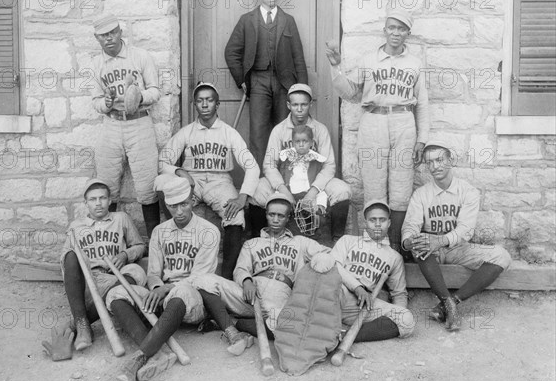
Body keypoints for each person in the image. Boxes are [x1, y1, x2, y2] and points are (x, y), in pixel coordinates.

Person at [325, 9, 429, 255]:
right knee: (373, 187)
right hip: (373, 121)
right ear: (384, 30)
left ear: (408, 33)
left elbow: (423, 104)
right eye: (391, 27)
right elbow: (350, 93)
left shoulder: (415, 64)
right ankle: (373, 249)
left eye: (401, 28)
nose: (396, 33)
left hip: (404, 121)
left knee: (402, 189)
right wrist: (335, 67)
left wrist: (422, 140)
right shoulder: (369, 60)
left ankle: (398, 250)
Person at [107, 175, 220, 381]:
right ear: (167, 204)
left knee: (182, 291)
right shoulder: (160, 232)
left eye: (184, 204)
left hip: (192, 301)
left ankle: (139, 358)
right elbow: (153, 273)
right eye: (173, 206)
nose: (179, 211)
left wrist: (167, 288)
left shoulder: (209, 232)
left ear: (192, 200)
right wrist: (157, 288)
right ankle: (158, 354)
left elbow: (199, 278)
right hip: (163, 298)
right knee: (117, 293)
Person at [193, 192, 331, 353]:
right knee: (204, 280)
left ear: (288, 218)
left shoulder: (300, 243)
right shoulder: (252, 243)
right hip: (249, 295)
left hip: (280, 294)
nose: (276, 219)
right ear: (266, 215)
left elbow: (327, 255)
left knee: (289, 328)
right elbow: (241, 269)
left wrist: (312, 272)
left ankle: (231, 322)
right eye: (272, 214)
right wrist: (246, 281)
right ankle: (232, 332)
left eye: (281, 216)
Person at [402, 141, 512, 331]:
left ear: (450, 160)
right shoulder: (421, 194)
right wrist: (410, 240)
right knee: (420, 245)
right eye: (429, 162)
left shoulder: (467, 191)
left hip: (458, 248)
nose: (435, 166)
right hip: (431, 251)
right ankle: (449, 305)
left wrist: (441, 240)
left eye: (439, 160)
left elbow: (465, 230)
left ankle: (451, 302)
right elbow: (410, 226)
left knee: (502, 255)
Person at [159, 82, 259, 279]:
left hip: (219, 181)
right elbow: (163, 160)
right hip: (191, 180)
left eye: (209, 100)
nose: (204, 105)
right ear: (195, 105)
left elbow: (252, 166)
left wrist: (242, 197)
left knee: (236, 216)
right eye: (200, 101)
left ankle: (228, 277)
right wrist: (180, 171)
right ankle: (176, 264)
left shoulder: (229, 132)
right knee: (165, 187)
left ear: (217, 104)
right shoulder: (187, 132)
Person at [45, 179, 146, 361]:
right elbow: (66, 261)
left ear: (109, 200)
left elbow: (139, 245)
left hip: (116, 277)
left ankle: (79, 323)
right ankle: (82, 323)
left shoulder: (120, 218)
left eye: (102, 198)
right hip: (89, 280)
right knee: (70, 254)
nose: (98, 203)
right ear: (86, 203)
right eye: (93, 199)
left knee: (137, 272)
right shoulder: (76, 226)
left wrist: (124, 254)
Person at [225, 0, 308, 169]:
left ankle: (285, 182)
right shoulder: (247, 20)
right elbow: (231, 52)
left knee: (285, 132)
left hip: (284, 84)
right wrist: (242, 80)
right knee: (259, 133)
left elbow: (298, 57)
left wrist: (303, 91)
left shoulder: (288, 21)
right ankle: (260, 183)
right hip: (258, 82)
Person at [250, 84, 351, 242]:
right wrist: (283, 190)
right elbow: (269, 165)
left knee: (342, 190)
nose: (299, 109)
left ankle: (336, 240)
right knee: (256, 189)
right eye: (295, 104)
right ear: (288, 105)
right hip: (285, 183)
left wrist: (313, 192)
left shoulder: (320, 129)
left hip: (313, 182)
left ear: (310, 104)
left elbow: (329, 165)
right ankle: (257, 240)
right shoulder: (279, 130)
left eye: (303, 104)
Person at [90, 13, 161, 237]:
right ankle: (109, 240)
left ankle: (154, 245)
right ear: (97, 38)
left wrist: (139, 97)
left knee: (148, 186)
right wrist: (106, 103)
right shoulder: (97, 64)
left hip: (139, 122)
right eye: (103, 35)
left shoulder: (140, 56)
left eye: (113, 32)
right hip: (112, 124)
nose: (109, 38)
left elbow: (155, 91)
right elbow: (96, 101)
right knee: (107, 185)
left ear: (120, 32)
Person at [331, 199, 414, 342]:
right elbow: (333, 266)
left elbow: (399, 294)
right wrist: (357, 287)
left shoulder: (394, 257)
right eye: (372, 220)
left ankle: (344, 338)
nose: (377, 224)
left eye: (382, 220)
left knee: (406, 318)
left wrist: (395, 315)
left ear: (389, 223)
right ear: (365, 222)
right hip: (338, 292)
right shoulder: (348, 241)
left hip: (363, 304)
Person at [279, 124, 328, 212]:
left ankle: (318, 212)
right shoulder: (288, 156)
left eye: (305, 141)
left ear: (311, 142)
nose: (301, 145)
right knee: (278, 196)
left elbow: (317, 175)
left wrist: (313, 192)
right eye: (297, 142)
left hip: (307, 191)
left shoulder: (314, 158)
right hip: (290, 190)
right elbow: (282, 172)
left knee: (322, 195)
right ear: (293, 143)